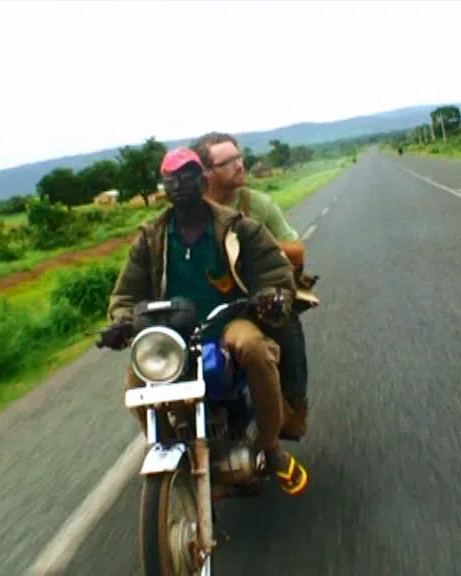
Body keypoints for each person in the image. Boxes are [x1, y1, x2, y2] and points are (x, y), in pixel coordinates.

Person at [101, 147, 308, 496]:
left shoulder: (239, 228)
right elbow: (126, 294)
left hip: (228, 320)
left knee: (255, 349)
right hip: (172, 331)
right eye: (171, 179)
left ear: (202, 180)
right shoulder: (151, 238)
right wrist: (122, 322)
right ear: (163, 187)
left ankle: (271, 446)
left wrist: (269, 297)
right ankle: (172, 455)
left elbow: (274, 273)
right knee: (137, 378)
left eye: (187, 177)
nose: (179, 185)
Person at [192, 131, 318, 440]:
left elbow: (297, 251)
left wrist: (255, 238)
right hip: (208, 305)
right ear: (206, 173)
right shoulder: (189, 213)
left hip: (256, 297)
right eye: (228, 161)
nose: (239, 165)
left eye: (239, 157)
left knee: (286, 325)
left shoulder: (257, 204)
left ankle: (294, 409)